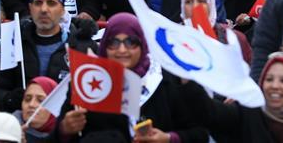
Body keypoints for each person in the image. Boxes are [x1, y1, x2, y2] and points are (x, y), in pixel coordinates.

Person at [59, 13, 206, 141]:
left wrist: (169, 139)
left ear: (142, 44)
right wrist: (64, 130)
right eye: (113, 43)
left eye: (131, 42)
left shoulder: (166, 81)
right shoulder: (87, 82)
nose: (122, 50)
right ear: (104, 46)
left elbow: (200, 134)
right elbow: (58, 136)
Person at [177, 52, 283, 143]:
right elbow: (208, 112)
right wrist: (187, 79)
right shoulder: (248, 112)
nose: (274, 86)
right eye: (269, 79)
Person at [0, 0, 70, 112]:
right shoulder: (14, 42)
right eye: (38, 3)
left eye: (51, 3)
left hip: (62, 125)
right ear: (30, 8)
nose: (44, 9)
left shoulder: (76, 46)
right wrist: (11, 99)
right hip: (21, 122)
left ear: (62, 10)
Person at [180, 0, 251, 62]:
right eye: (188, 1)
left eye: (201, 1)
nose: (195, 6)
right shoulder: (171, 37)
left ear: (211, 3)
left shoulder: (234, 39)